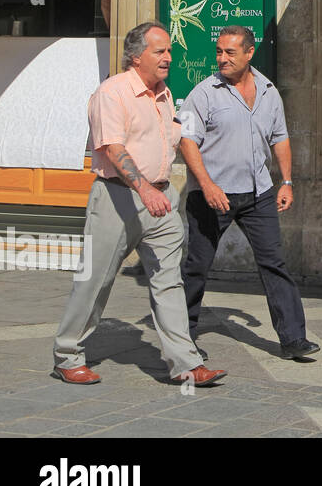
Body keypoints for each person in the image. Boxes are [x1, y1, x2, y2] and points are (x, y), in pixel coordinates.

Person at [53, 22, 226, 388]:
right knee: (95, 281)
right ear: (136, 56)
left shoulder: (163, 94)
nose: (168, 57)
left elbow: (177, 140)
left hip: (161, 200)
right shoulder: (112, 93)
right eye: (159, 51)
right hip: (118, 198)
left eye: (168, 51)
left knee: (169, 282)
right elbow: (113, 148)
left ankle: (185, 363)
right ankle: (68, 355)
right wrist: (144, 189)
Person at [179, 26, 319, 361]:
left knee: (274, 263)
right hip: (213, 195)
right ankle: (182, 338)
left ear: (249, 52)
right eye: (218, 51)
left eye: (229, 52)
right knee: (198, 266)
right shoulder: (203, 93)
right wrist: (207, 185)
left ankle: (293, 339)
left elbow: (280, 137)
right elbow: (186, 141)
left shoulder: (269, 91)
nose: (222, 58)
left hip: (259, 193)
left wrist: (286, 181)